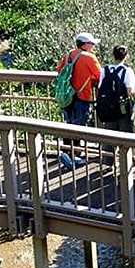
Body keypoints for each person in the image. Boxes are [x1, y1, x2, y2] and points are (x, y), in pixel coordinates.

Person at [56, 33, 102, 169]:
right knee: (79, 125)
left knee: (69, 124)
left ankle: (67, 152)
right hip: (82, 96)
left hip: (67, 96)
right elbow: (100, 76)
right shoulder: (89, 58)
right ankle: (73, 156)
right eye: (92, 44)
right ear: (85, 44)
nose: (93, 46)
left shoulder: (68, 55)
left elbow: (59, 71)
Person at [97, 45, 135, 159]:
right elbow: (130, 90)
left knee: (109, 135)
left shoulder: (105, 70)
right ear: (126, 56)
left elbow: (100, 87)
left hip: (108, 107)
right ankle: (126, 161)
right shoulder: (127, 71)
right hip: (122, 107)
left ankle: (107, 162)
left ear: (113, 55)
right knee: (126, 135)